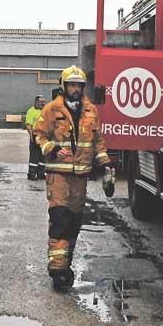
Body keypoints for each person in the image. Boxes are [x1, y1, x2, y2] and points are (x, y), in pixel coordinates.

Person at [33, 66, 114, 290]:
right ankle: (57, 269)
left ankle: (66, 262)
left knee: (74, 222)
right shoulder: (52, 109)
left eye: (79, 85)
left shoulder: (91, 111)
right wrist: (51, 148)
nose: (76, 89)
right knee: (59, 219)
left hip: (81, 177)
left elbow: (97, 142)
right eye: (72, 85)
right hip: (58, 174)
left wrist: (105, 162)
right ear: (64, 86)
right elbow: (38, 134)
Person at [25, 95, 46, 180]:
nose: (43, 103)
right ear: (36, 102)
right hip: (35, 135)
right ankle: (32, 174)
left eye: (43, 102)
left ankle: (41, 173)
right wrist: (31, 136)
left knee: (43, 156)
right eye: (41, 102)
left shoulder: (45, 111)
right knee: (34, 156)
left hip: (44, 136)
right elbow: (28, 125)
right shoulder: (31, 111)